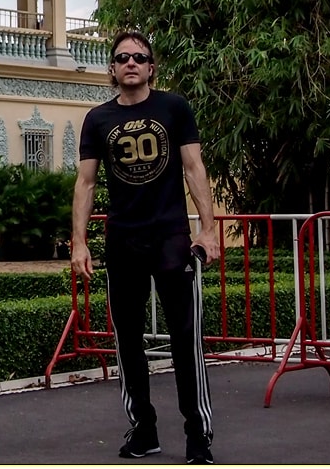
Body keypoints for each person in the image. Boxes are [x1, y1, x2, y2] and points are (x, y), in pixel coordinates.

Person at [71, 30, 219, 465]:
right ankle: (144, 430)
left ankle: (198, 436)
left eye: (140, 57)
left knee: (185, 341)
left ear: (151, 67)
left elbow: (194, 169)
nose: (131, 63)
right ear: (113, 70)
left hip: (171, 238)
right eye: (122, 58)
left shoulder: (174, 108)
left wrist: (206, 230)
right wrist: (79, 243)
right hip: (124, 240)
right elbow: (86, 182)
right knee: (128, 342)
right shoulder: (97, 119)